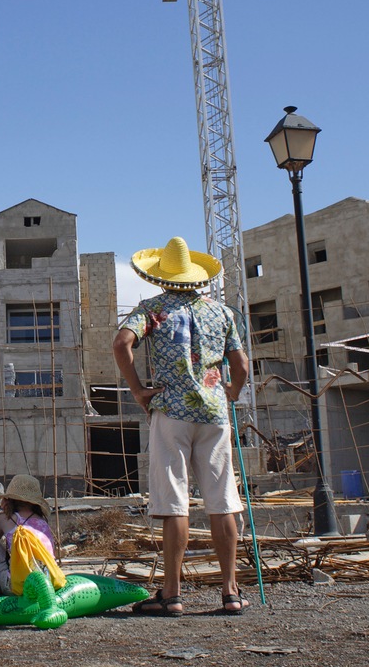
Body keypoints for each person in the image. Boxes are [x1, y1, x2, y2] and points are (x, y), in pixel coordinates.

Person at [112, 236, 249, 617]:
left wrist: (139, 389)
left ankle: (171, 594)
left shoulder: (152, 310)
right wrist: (231, 393)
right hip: (214, 412)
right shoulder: (222, 314)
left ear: (161, 277)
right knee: (222, 501)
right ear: (196, 277)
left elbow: (122, 343)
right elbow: (241, 367)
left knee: (174, 501)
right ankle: (231, 591)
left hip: (171, 410)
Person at [0, 474, 64, 596]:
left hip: (18, 587)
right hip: (47, 581)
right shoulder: (43, 523)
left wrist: (3, 512)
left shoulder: (5, 520)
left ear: (9, 499)